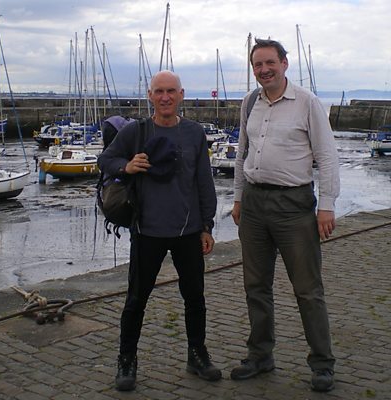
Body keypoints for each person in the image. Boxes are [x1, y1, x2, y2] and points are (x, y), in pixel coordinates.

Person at [97, 70, 221, 392]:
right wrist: (126, 166)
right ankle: (127, 360)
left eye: (171, 91)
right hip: (146, 230)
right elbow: (105, 159)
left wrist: (207, 226)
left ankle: (197, 354)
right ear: (150, 96)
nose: (165, 97)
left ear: (181, 95)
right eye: (159, 91)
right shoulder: (136, 132)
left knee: (195, 298)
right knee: (136, 300)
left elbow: (204, 182)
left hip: (188, 231)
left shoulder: (194, 133)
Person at [231, 39, 340, 392]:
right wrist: (238, 198)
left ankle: (322, 364)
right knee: (255, 286)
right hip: (254, 203)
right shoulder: (250, 102)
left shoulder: (307, 103)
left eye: (270, 63)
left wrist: (326, 206)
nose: (264, 70)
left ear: (284, 64)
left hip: (294, 206)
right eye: (258, 65)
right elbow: (241, 154)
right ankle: (260, 355)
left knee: (308, 289)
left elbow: (327, 156)